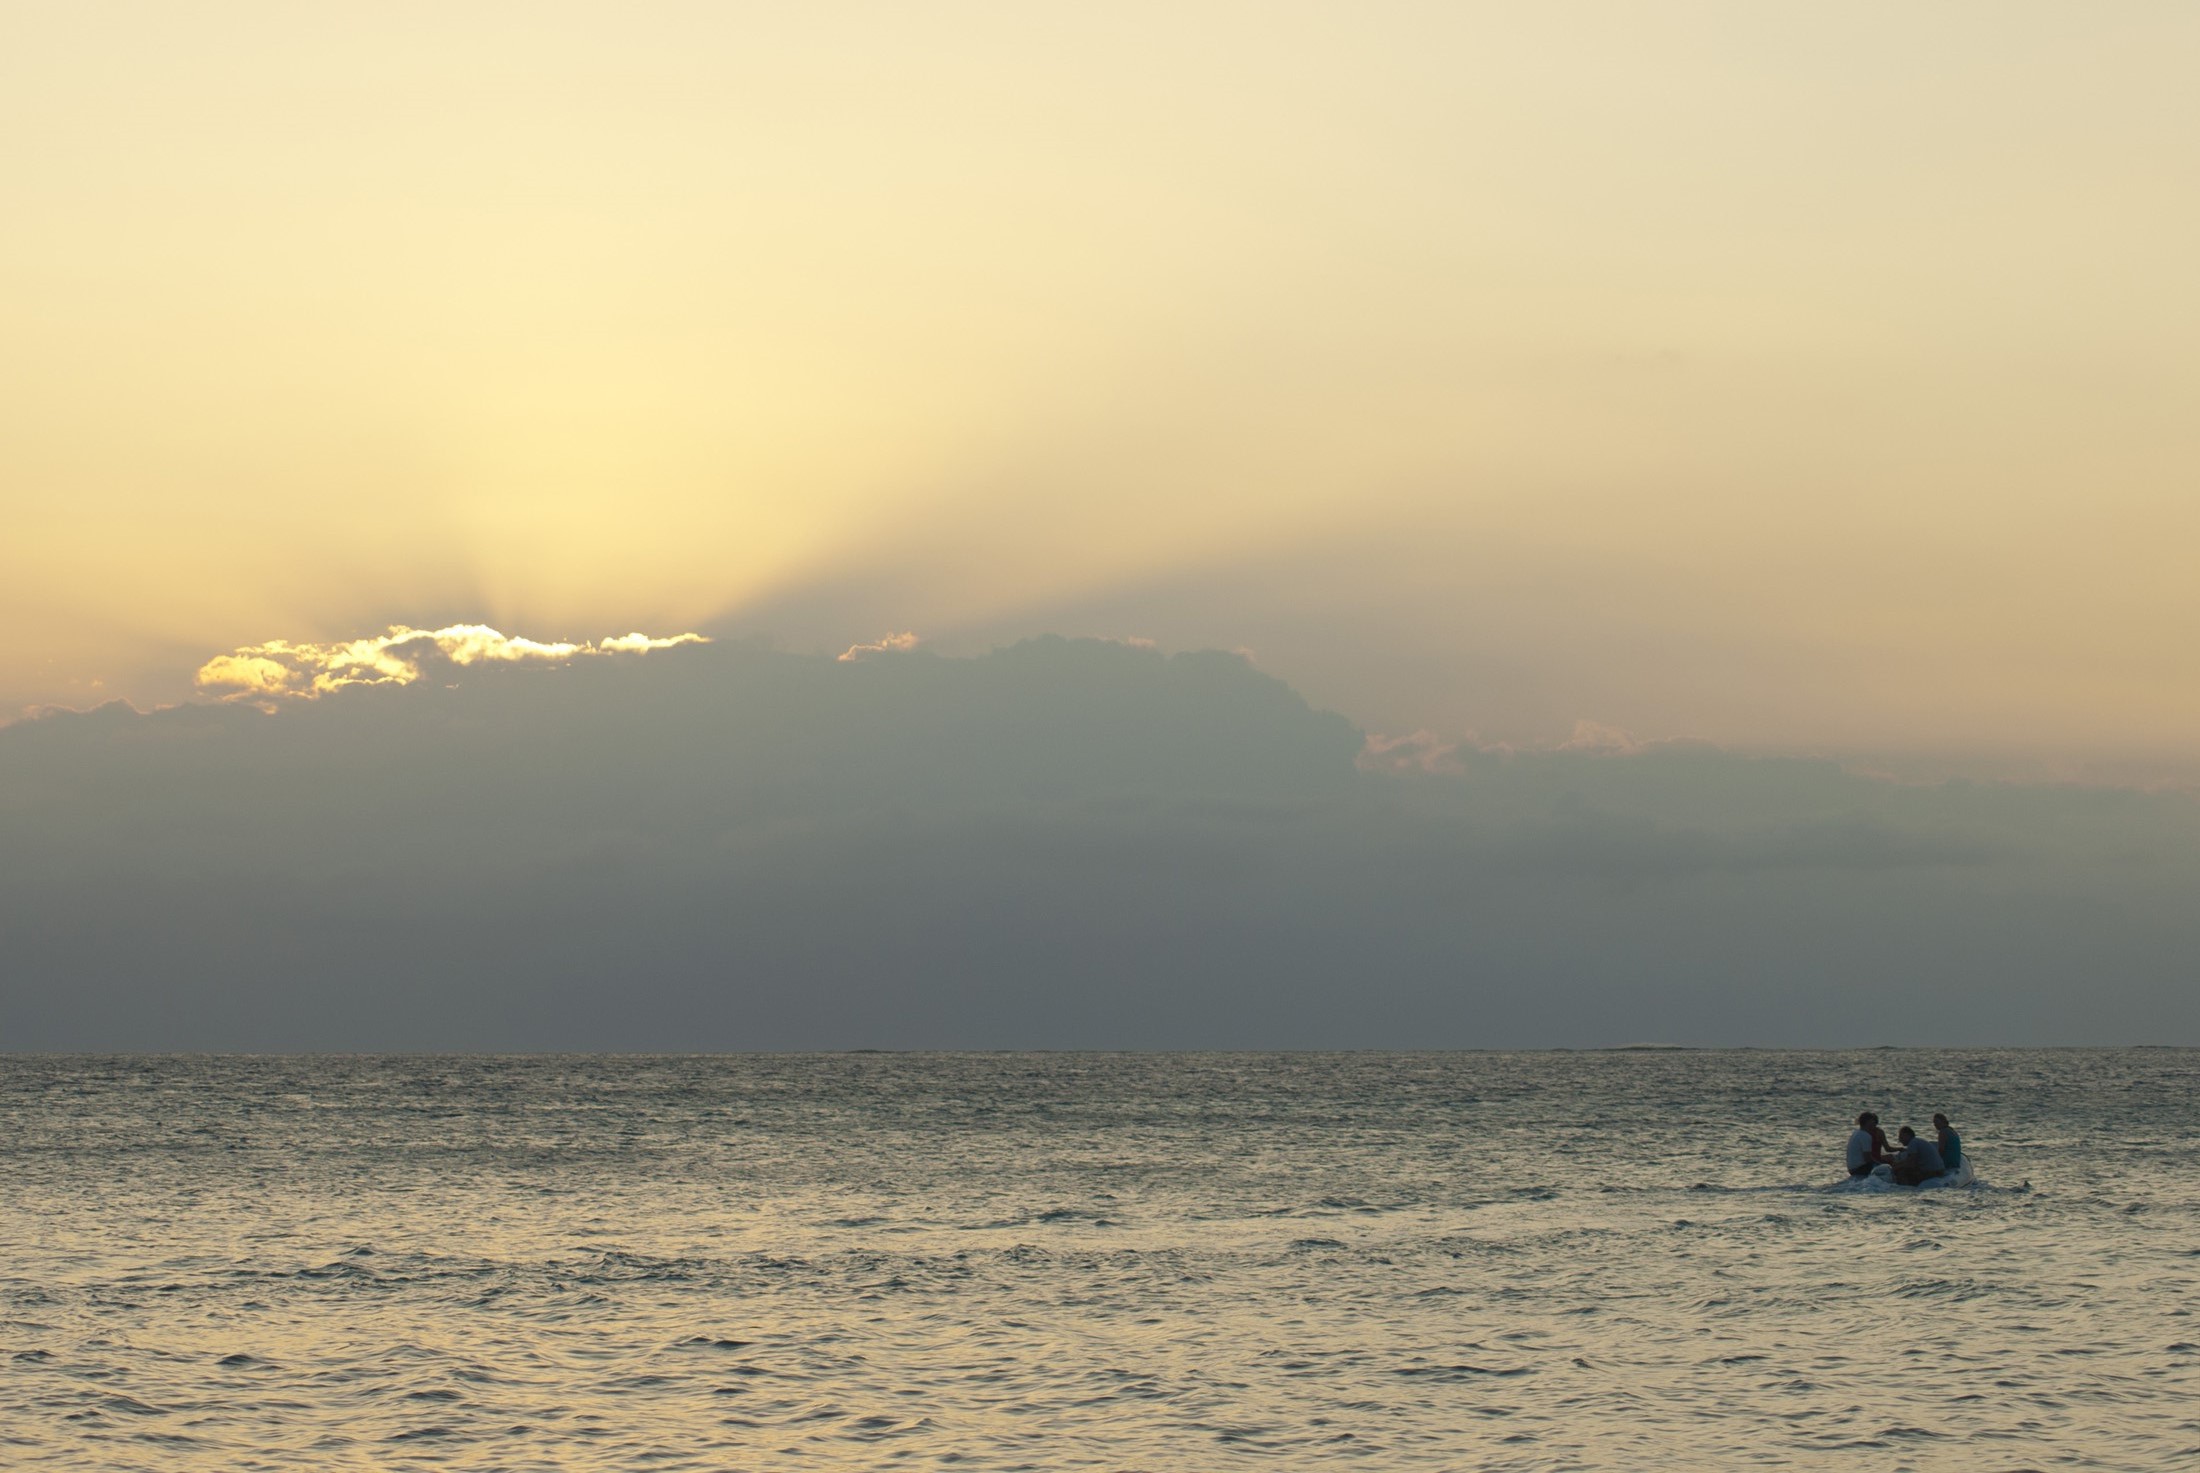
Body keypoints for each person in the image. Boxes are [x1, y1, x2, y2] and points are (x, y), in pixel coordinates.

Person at [1846, 1112, 1891, 1177]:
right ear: (1868, 1122)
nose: (1874, 1124)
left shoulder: (1856, 1132)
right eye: (1872, 1121)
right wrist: (1880, 1164)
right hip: (1860, 1169)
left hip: (1851, 1169)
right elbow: (1867, 1159)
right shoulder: (1866, 1136)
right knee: (1887, 1168)